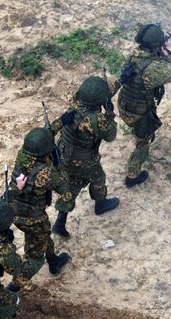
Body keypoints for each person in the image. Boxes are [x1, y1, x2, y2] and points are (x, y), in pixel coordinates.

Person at [51, 76, 120, 238]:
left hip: (64, 153)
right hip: (83, 160)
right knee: (97, 178)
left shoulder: (74, 103)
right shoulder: (95, 120)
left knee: (71, 185)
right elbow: (110, 135)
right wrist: (109, 113)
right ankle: (100, 204)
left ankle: (60, 222)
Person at [118, 23, 171, 187]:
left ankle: (139, 132)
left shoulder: (135, 55)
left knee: (140, 128)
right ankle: (132, 177)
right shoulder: (153, 68)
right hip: (139, 112)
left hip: (124, 104)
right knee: (143, 143)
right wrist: (166, 52)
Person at [8, 126, 74, 276]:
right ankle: (14, 288)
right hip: (32, 218)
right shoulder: (47, 173)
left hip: (13, 210)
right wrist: (60, 168)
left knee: (43, 236)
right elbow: (66, 193)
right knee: (34, 257)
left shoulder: (22, 155)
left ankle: (53, 260)